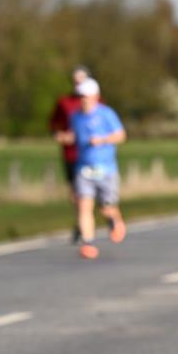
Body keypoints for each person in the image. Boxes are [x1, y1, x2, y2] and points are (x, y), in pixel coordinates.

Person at [70, 78, 127, 259]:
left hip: (106, 168)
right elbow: (74, 137)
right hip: (84, 168)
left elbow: (120, 135)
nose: (82, 100)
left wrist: (102, 140)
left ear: (95, 96)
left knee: (106, 207)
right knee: (84, 206)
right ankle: (88, 243)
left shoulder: (106, 114)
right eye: (80, 96)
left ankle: (113, 220)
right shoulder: (75, 117)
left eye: (85, 96)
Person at [50, 65, 91, 243]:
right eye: (75, 82)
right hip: (70, 154)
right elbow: (54, 124)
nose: (78, 85)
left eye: (81, 81)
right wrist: (60, 135)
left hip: (90, 155)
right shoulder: (64, 102)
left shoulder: (97, 101)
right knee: (75, 193)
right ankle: (80, 222)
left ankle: (86, 221)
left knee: (88, 192)